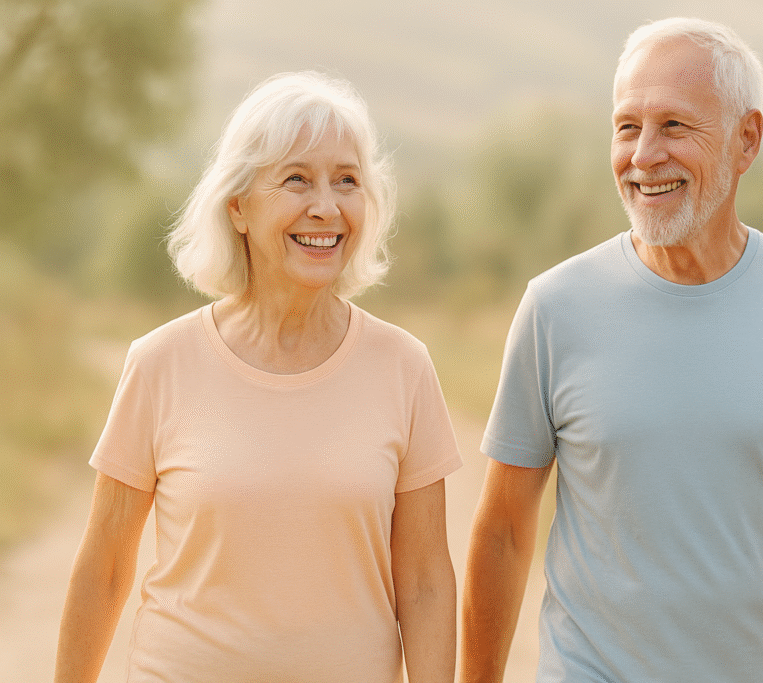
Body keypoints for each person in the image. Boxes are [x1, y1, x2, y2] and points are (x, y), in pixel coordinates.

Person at [461, 17, 763, 683]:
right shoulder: (554, 307)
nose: (642, 156)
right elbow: (503, 531)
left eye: (673, 126)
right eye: (627, 127)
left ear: (745, 139)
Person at [55, 71, 461, 683]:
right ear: (239, 207)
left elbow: (427, 580)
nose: (326, 206)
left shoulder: (404, 367)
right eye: (296, 179)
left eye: (346, 181)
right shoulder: (159, 362)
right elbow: (105, 567)